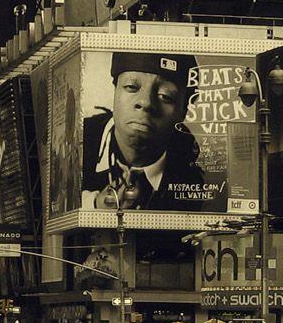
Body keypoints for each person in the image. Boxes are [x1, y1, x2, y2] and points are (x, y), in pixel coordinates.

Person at [80, 52, 209, 211]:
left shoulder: (195, 171)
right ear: (115, 90)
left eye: (165, 96)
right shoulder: (77, 140)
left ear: (183, 111)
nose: (146, 102)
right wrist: (92, 205)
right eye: (131, 87)